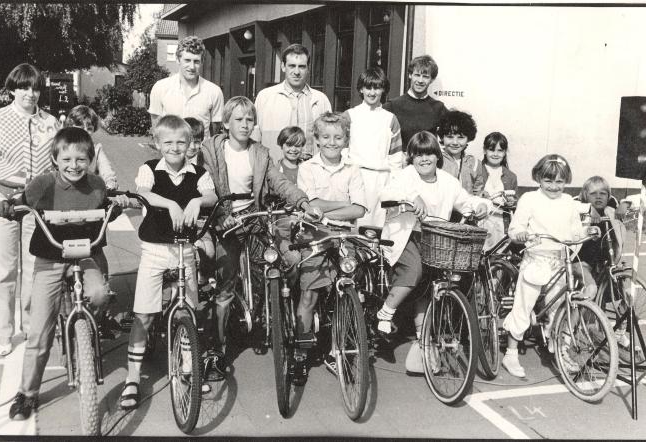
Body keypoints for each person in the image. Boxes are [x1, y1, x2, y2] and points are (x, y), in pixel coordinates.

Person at [0, 127, 125, 420]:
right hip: (51, 257)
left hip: (86, 254)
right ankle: (27, 393)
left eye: (81, 159)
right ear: (55, 159)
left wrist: (115, 207)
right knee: (39, 331)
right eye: (66, 159)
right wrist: (10, 207)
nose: (73, 165)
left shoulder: (96, 185)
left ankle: (85, 330)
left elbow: (108, 203)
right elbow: (23, 201)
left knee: (100, 294)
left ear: (91, 160)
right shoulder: (43, 184)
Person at [200, 96, 322, 379]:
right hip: (226, 222)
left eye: (249, 120)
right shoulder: (211, 149)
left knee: (277, 265)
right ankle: (216, 352)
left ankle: (274, 322)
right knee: (225, 286)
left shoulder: (260, 153)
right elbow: (206, 185)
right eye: (239, 119)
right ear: (227, 122)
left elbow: (278, 183)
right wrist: (221, 216)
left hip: (253, 220)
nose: (245, 125)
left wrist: (303, 203)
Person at [120, 115, 218, 410]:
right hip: (154, 248)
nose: (175, 148)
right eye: (168, 142)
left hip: (184, 248)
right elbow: (143, 193)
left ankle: (189, 367)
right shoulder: (150, 169)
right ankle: (133, 379)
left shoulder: (198, 173)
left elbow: (212, 195)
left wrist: (197, 201)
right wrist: (172, 202)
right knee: (144, 315)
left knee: (189, 309)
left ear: (190, 144)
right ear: (157, 143)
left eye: (181, 142)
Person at [376, 131, 489, 372]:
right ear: (411, 158)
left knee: (428, 287)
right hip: (406, 236)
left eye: (428, 154)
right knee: (414, 271)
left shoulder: (448, 181)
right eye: (418, 155)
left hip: (435, 240)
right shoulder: (404, 176)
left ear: (437, 156)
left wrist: (479, 206)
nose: (424, 159)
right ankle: (386, 313)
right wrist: (411, 196)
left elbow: (464, 200)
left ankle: (423, 341)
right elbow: (385, 194)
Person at [0, 63, 60, 356]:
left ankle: (29, 326)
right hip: (3, 198)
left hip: (36, 201)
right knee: (3, 269)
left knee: (34, 268)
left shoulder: (50, 123)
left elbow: (57, 163)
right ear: (12, 89)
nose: (30, 94)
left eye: (35, 88)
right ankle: (4, 333)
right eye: (24, 87)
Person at [293, 111, 368, 385]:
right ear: (317, 140)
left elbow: (359, 208)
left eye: (338, 137)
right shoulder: (307, 168)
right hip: (315, 236)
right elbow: (311, 205)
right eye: (326, 137)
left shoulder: (353, 169)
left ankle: (340, 349)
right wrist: (337, 208)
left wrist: (325, 208)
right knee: (309, 294)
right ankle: (300, 355)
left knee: (350, 289)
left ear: (345, 139)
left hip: (346, 235)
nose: (332, 142)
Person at [501, 154, 590, 378]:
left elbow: (576, 231)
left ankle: (559, 347)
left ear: (566, 181)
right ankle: (511, 354)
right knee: (523, 305)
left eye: (559, 181)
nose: (553, 186)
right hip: (536, 259)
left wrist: (587, 233)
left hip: (561, 261)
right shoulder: (530, 199)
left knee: (560, 306)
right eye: (548, 181)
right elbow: (515, 228)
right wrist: (520, 234)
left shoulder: (569, 202)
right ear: (539, 178)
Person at [253, 43, 332, 162]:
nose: (296, 71)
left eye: (301, 66)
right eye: (292, 66)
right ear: (283, 66)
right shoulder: (265, 97)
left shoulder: (321, 100)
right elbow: (255, 137)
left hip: (311, 170)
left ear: (308, 68)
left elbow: (328, 138)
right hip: (275, 170)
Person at [345, 67, 403, 227]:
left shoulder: (390, 119)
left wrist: (394, 187)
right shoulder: (350, 116)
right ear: (361, 89)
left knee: (378, 228)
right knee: (355, 226)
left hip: (382, 180)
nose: (372, 92)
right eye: (368, 87)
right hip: (357, 178)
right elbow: (342, 151)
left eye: (377, 87)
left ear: (383, 89)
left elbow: (396, 157)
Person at [575, 176, 629, 347]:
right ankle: (568, 334)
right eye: (593, 194)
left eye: (603, 193)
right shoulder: (579, 207)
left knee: (629, 290)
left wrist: (626, 204)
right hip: (581, 261)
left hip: (606, 262)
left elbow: (642, 200)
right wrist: (588, 213)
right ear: (585, 195)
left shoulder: (611, 207)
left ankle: (619, 330)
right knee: (590, 288)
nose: (598, 197)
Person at [148, 36, 224, 139]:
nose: (192, 67)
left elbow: (215, 133)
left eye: (196, 61)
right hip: (172, 152)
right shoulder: (160, 88)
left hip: (201, 153)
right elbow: (157, 130)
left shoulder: (214, 91)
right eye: (187, 60)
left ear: (202, 62)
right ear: (178, 60)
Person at [383, 55, 447, 150]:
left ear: (432, 80)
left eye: (425, 77)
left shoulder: (438, 108)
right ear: (410, 75)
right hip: (400, 162)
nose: (420, 81)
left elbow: (456, 134)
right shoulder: (392, 106)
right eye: (417, 75)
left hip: (427, 161)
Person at [479, 131, 518, 250]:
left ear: (505, 152)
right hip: (480, 221)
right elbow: (468, 193)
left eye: (500, 150)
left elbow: (514, 200)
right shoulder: (477, 170)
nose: (495, 154)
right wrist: (479, 195)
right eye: (492, 150)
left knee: (498, 255)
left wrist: (512, 202)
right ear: (485, 150)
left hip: (501, 223)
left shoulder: (511, 176)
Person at [64, 105, 118, 190]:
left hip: (88, 194)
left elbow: (105, 167)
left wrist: (110, 180)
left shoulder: (96, 149)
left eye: (89, 128)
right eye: (81, 128)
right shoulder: (63, 147)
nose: (85, 132)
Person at [437, 110, 484, 196]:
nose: (455, 142)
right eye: (450, 137)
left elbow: (478, 192)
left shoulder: (475, 163)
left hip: (468, 208)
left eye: (461, 137)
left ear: (468, 138)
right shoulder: (436, 160)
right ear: (442, 137)